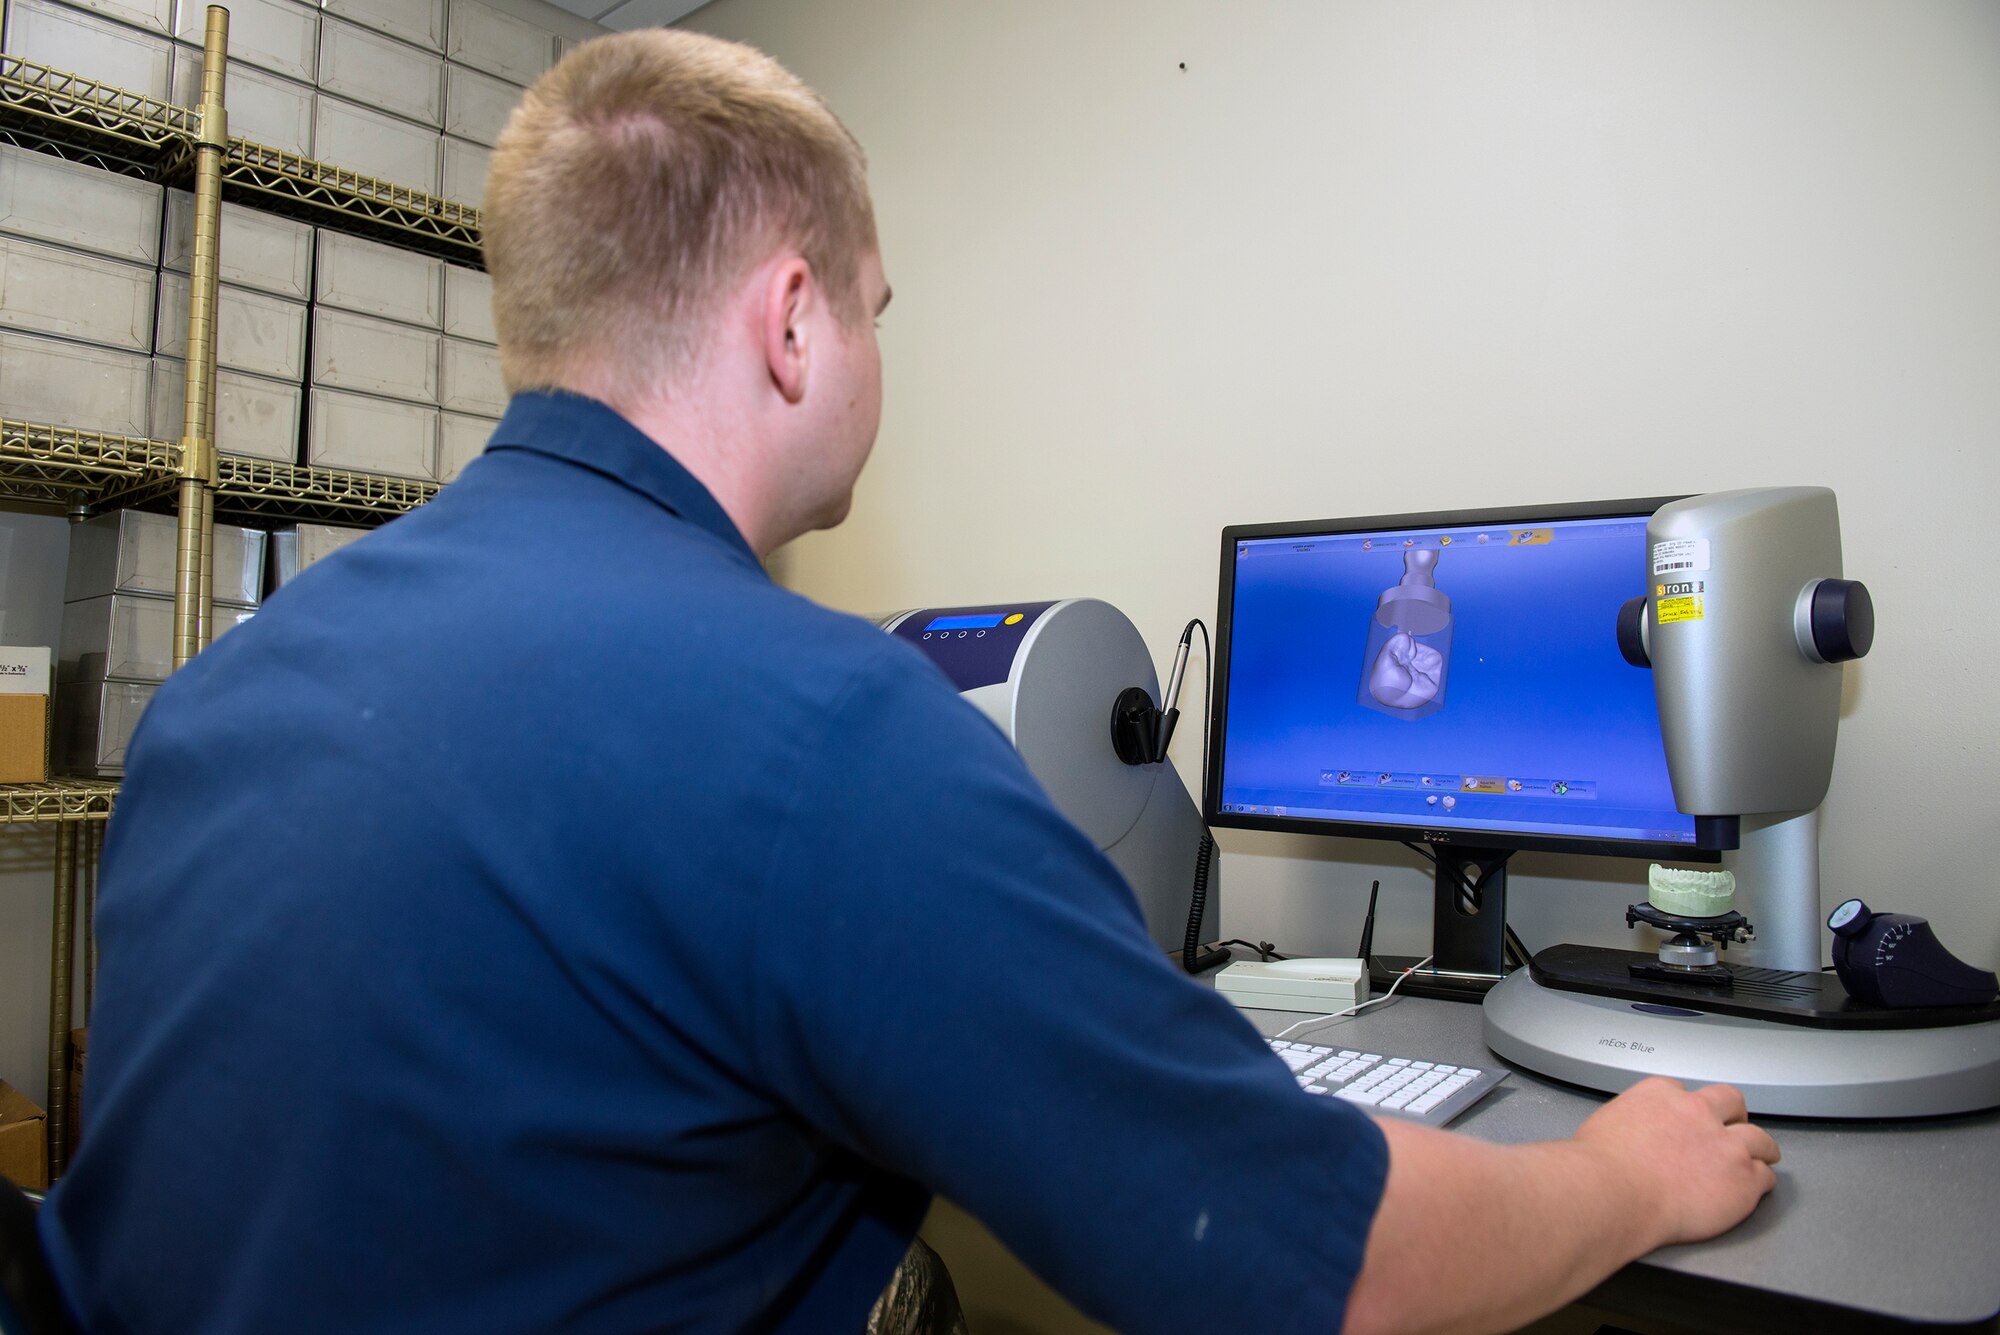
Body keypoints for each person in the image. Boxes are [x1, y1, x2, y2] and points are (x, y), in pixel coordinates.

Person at [40, 29, 1778, 1335]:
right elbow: (1316, 1261)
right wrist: (1618, 1178)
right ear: (796, 324)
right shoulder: (820, 725)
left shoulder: (227, 691)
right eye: (878, 309)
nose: (879, 353)